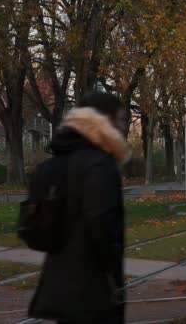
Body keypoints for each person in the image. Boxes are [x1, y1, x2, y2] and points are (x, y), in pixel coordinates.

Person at [29, 91, 130, 324]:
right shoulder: (100, 165)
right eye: (120, 119)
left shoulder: (56, 161)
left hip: (58, 283)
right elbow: (101, 224)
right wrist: (110, 266)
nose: (123, 126)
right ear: (106, 121)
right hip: (94, 287)